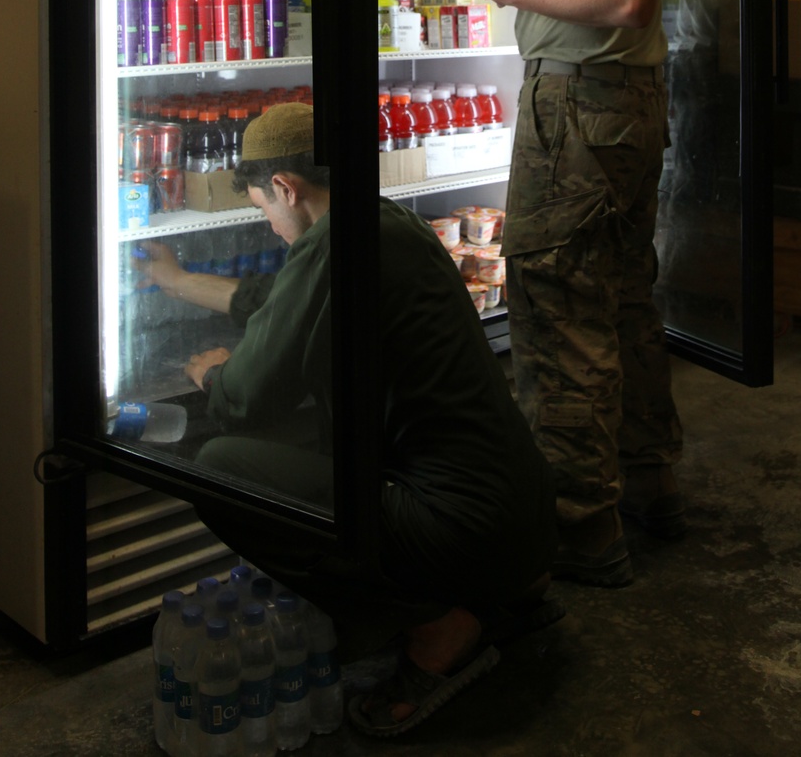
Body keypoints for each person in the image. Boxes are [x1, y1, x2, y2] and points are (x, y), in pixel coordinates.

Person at [285, 0, 683, 588]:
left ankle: (580, 525)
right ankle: (651, 484)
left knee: (556, 305)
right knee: (616, 296)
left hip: (583, 105)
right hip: (597, 104)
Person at [142, 102, 559, 737]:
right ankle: (488, 595)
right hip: (520, 520)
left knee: (222, 468)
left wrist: (211, 375)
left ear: (286, 188)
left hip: (457, 526)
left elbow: (247, 400)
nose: (272, 227)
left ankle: (438, 631)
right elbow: (278, 302)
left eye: (264, 210)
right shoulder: (382, 219)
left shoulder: (333, 245)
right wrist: (176, 281)